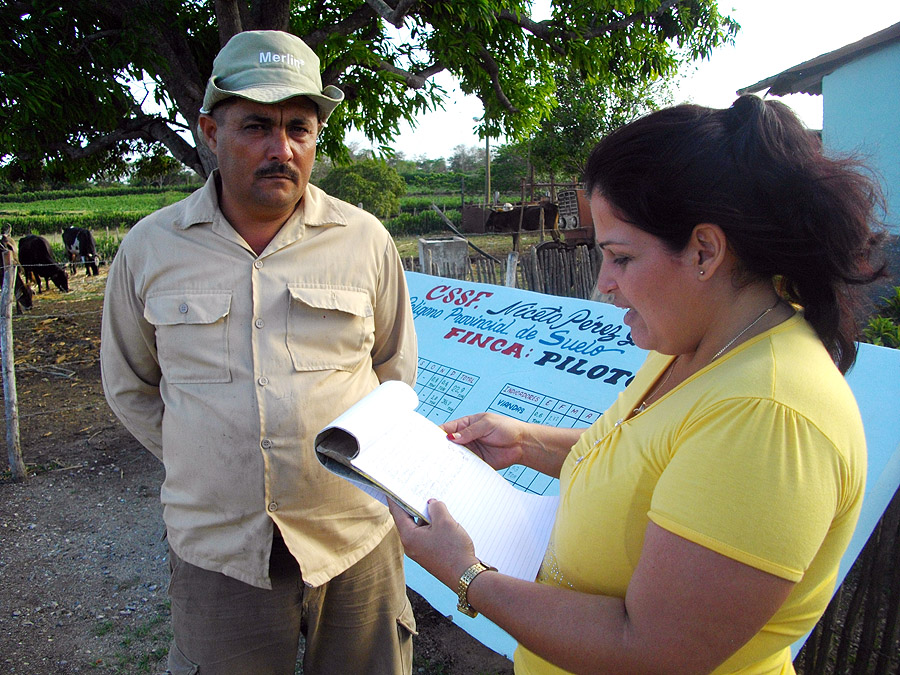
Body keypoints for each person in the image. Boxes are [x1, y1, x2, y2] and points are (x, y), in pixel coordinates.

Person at [390, 95, 887, 675]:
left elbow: (650, 650)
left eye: (621, 257)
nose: (603, 284)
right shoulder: (695, 342)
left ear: (704, 251)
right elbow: (651, 465)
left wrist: (468, 574)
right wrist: (527, 442)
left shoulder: (769, 417)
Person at [100, 30, 418, 675]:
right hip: (220, 550)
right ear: (210, 133)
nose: (281, 149)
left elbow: (393, 370)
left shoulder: (364, 240)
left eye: (299, 127)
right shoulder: (151, 248)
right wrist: (215, 456)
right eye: (255, 127)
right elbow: (130, 384)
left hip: (352, 537)